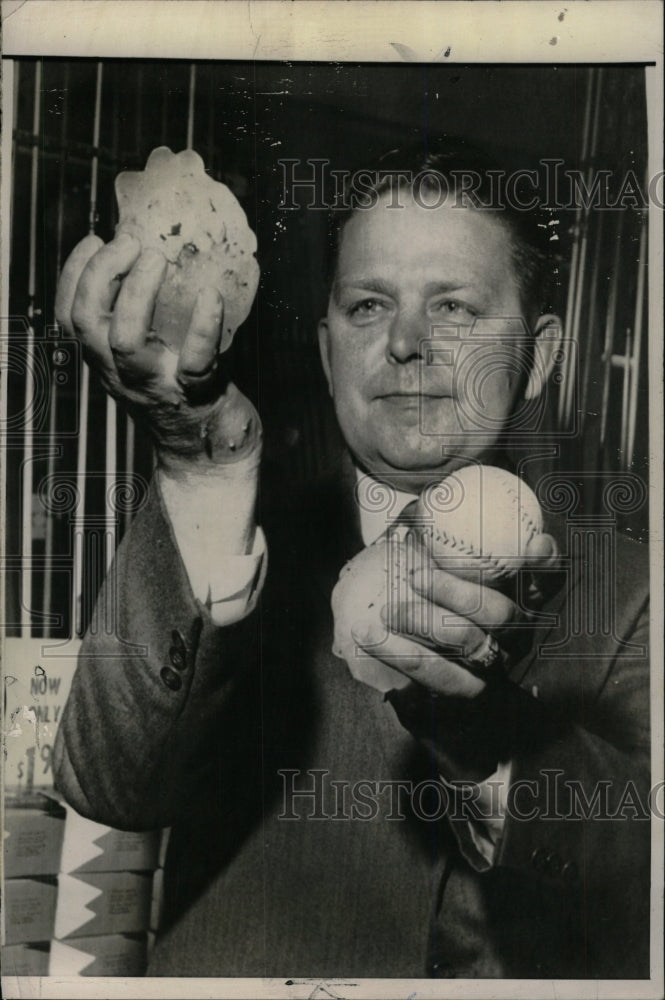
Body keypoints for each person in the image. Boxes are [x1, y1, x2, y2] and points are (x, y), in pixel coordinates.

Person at [53, 141, 650, 979]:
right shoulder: (234, 546)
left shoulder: (631, 591)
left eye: (452, 308)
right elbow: (108, 786)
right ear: (330, 351)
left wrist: (491, 740)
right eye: (369, 306)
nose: (405, 343)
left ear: (540, 357)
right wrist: (198, 466)